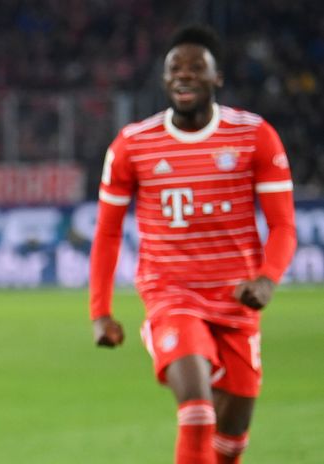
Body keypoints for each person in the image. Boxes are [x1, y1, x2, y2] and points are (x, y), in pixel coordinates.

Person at [88, 25, 296, 464]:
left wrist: (267, 281)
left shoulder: (255, 136)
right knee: (198, 413)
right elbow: (107, 231)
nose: (184, 76)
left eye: (196, 69)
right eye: (174, 69)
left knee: (231, 439)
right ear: (165, 80)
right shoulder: (133, 145)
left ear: (217, 78)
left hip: (238, 301)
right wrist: (100, 312)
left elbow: (283, 227)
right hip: (172, 296)